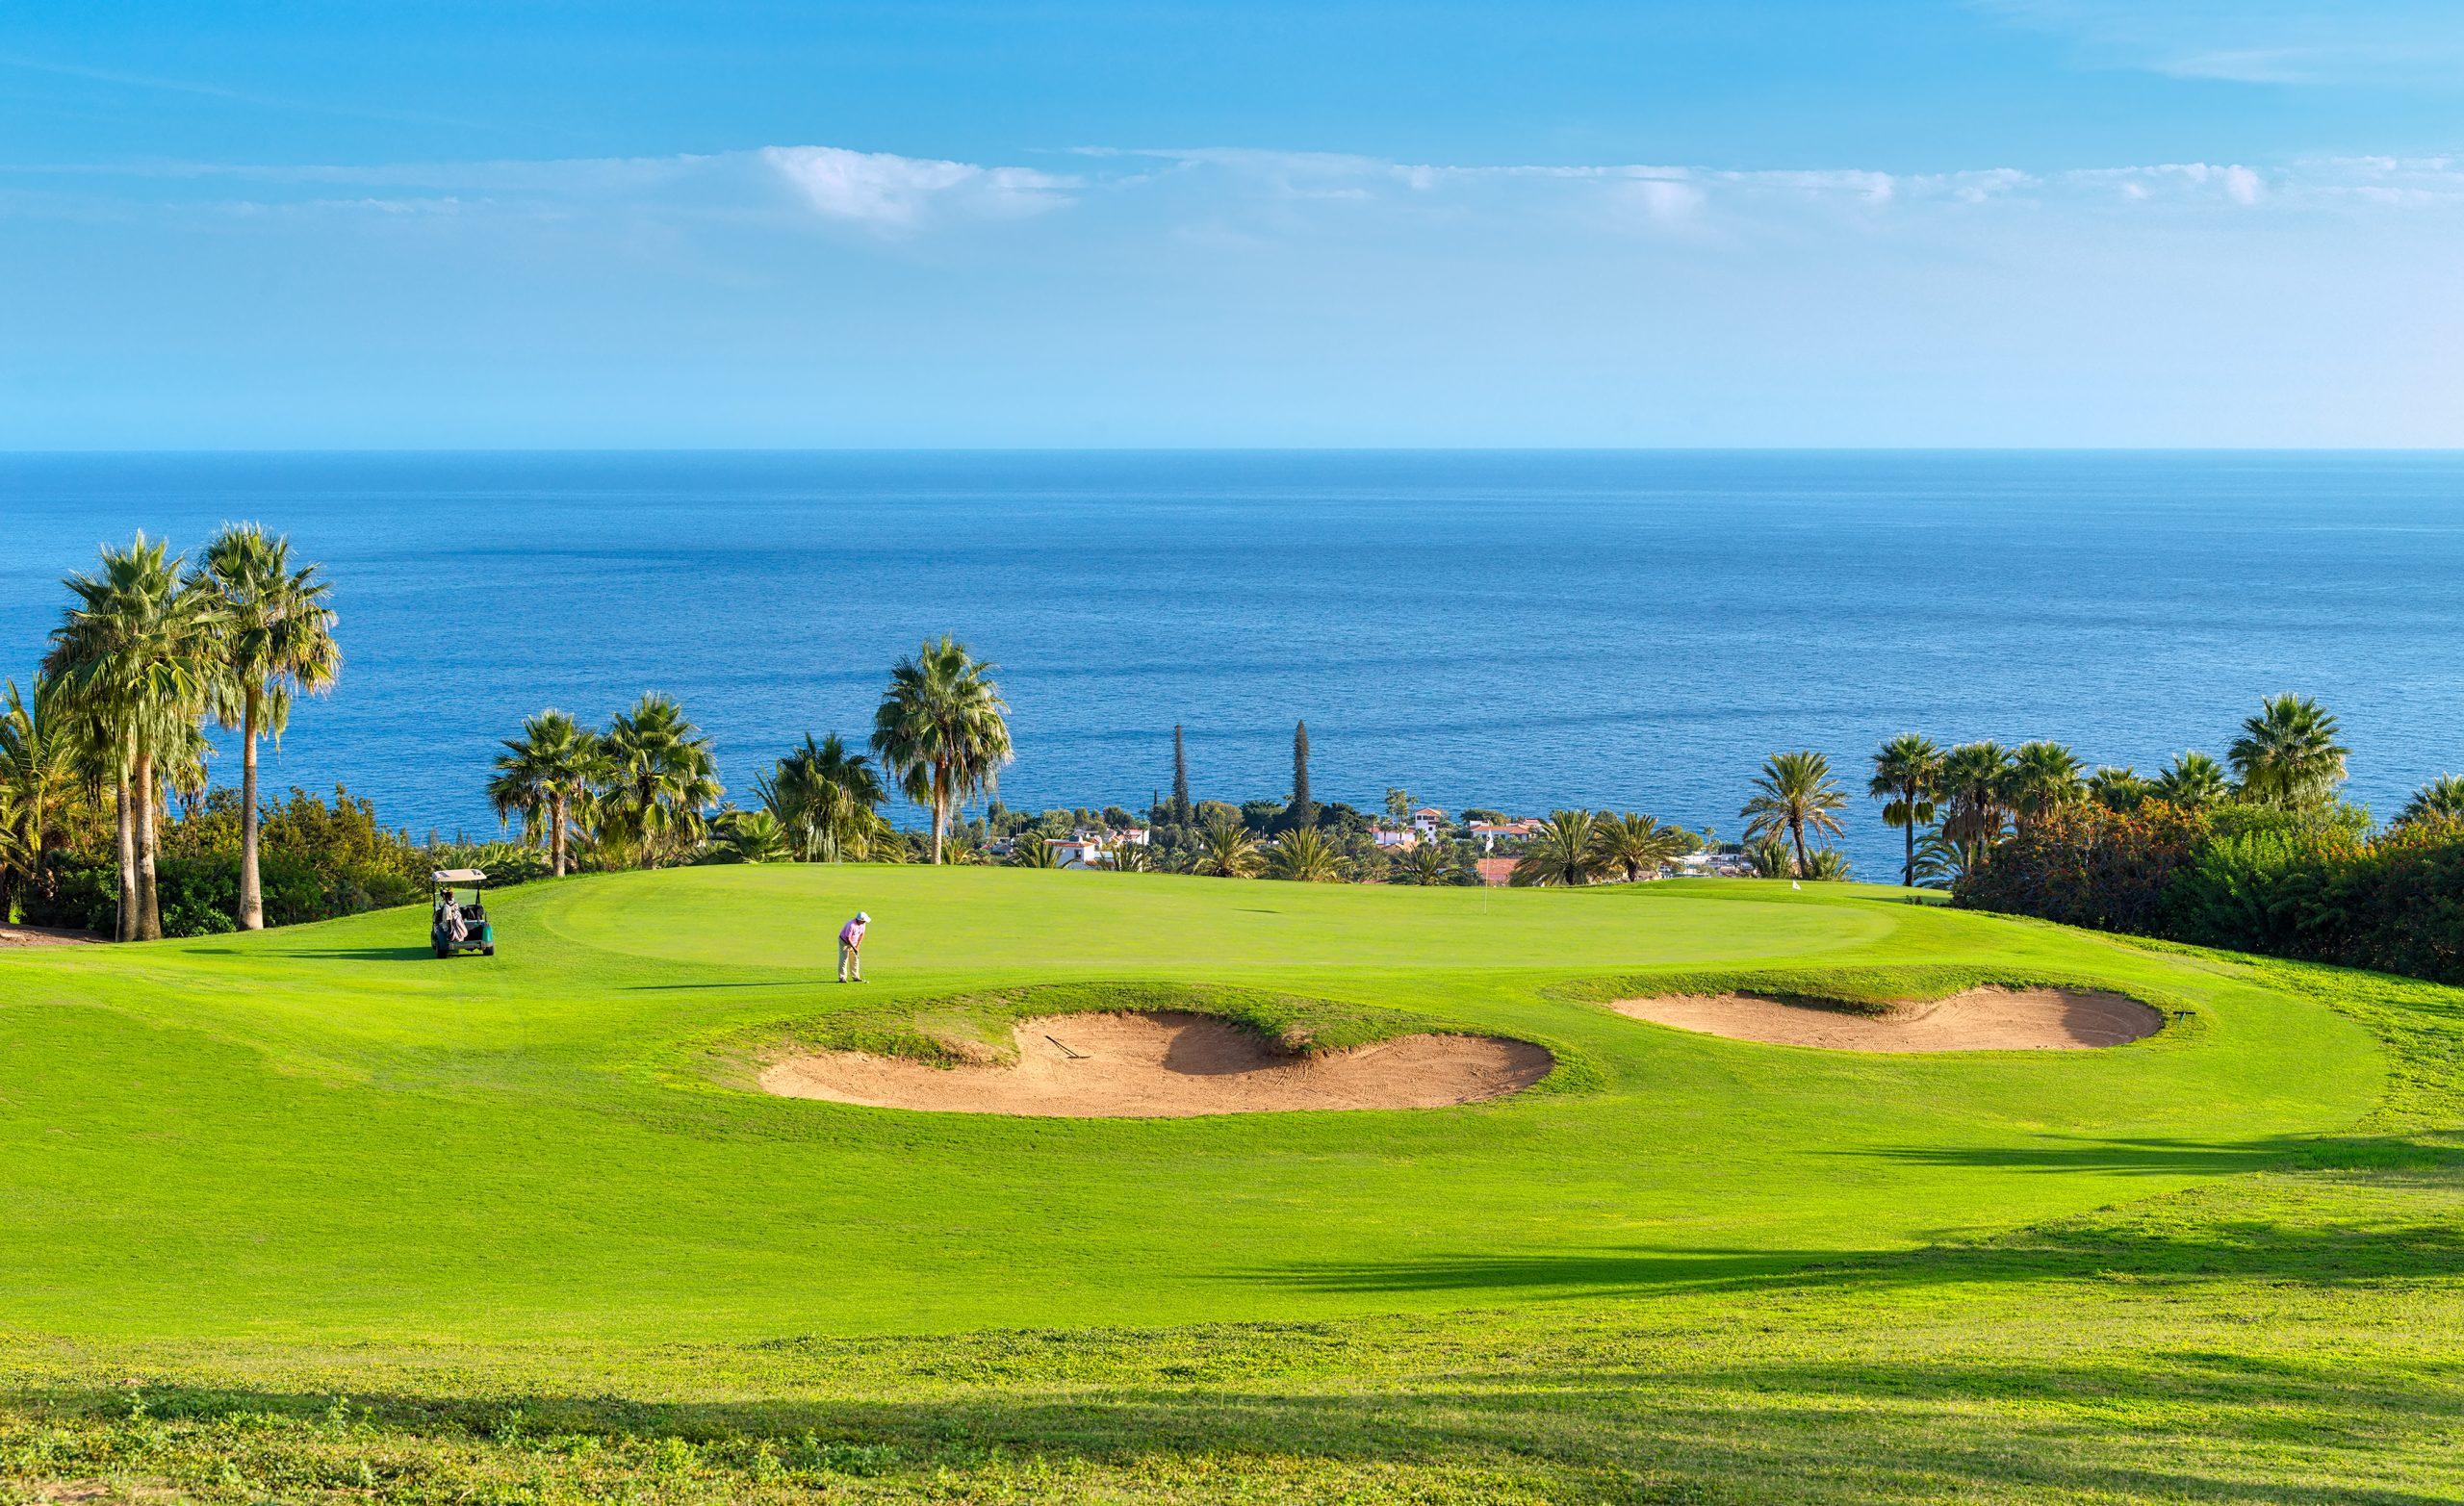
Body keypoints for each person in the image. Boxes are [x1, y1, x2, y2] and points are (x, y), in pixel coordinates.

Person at [838, 910, 869, 983]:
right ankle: (842, 978)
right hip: (844, 942)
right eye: (864, 921)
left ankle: (855, 977)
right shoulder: (851, 925)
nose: (865, 922)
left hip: (854, 943)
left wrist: (857, 946)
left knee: (855, 959)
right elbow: (848, 938)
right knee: (844, 959)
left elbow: (861, 935)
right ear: (859, 920)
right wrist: (854, 947)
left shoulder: (863, 924)